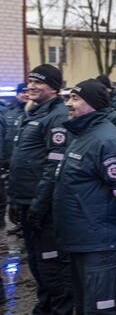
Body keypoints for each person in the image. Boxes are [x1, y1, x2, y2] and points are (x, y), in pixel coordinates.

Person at [54, 79, 116, 314]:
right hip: (83, 239)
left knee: (104, 308)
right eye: (69, 98)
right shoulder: (82, 134)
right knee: (87, 306)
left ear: (93, 104)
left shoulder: (106, 140)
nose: (68, 104)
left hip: (102, 241)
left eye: (75, 98)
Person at [8, 65, 73, 314]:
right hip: (26, 201)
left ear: (54, 88)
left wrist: (38, 204)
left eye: (38, 82)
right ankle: (45, 306)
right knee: (37, 262)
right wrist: (17, 200)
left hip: (44, 206)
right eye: (30, 81)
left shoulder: (57, 116)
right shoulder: (32, 114)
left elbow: (53, 167)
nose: (31, 86)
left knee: (51, 264)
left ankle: (60, 309)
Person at [2, 83, 28, 235]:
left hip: (25, 162)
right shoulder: (8, 112)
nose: (25, 94)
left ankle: (25, 225)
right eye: (22, 92)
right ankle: (19, 223)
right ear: (17, 94)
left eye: (27, 91)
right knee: (13, 194)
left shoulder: (31, 112)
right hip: (10, 160)